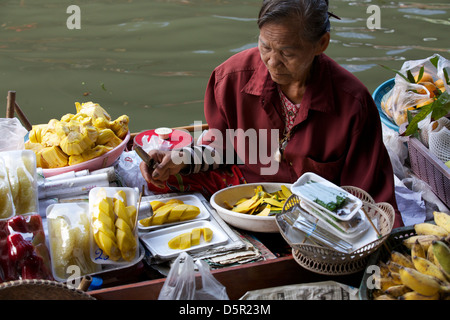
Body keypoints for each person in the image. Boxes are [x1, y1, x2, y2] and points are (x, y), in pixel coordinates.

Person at [140, 0, 404, 228]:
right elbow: (224, 146)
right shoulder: (230, 78)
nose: (272, 62)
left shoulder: (352, 103)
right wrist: (181, 158)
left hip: (320, 215)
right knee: (164, 179)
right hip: (250, 193)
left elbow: (368, 197)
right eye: (265, 47)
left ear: (321, 43)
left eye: (287, 53)